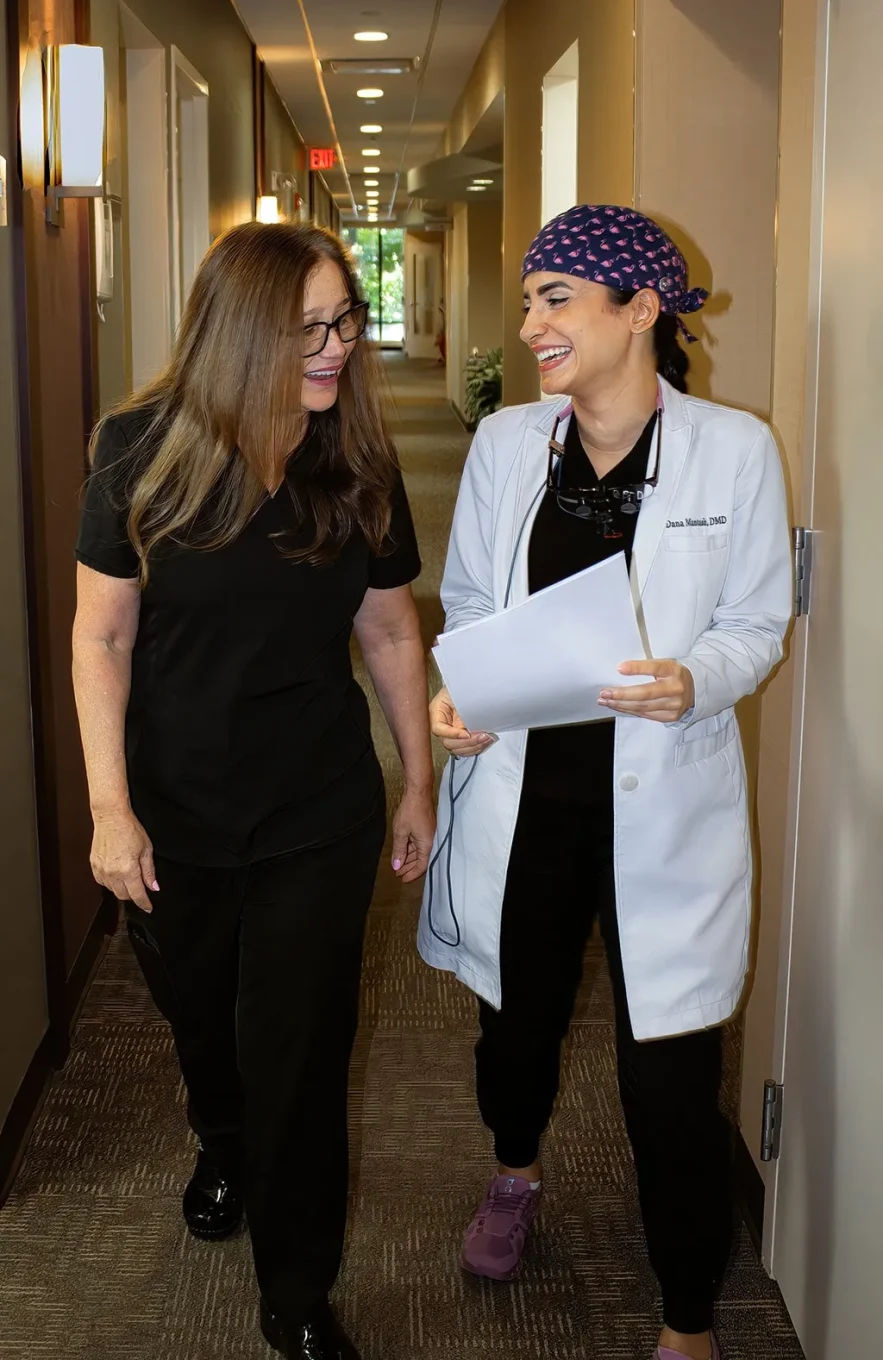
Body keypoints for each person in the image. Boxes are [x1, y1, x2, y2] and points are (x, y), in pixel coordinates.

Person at [419, 205, 792, 1360]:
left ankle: (686, 1319)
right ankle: (516, 1170)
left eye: (555, 298)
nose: (529, 323)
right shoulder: (503, 443)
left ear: (641, 311)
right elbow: (472, 604)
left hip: (660, 808)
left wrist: (698, 678)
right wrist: (455, 693)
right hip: (526, 795)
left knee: (670, 1077)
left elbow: (757, 619)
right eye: (528, 299)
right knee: (513, 1030)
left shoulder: (734, 450)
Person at [73, 222, 435, 1360]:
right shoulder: (139, 449)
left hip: (317, 809)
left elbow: (386, 626)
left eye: (346, 322)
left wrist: (418, 778)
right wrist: (108, 806)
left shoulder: (356, 458)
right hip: (173, 808)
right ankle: (219, 1138)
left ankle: (295, 1291)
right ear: (239, 334)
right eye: (311, 329)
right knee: (201, 1021)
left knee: (302, 1047)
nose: (336, 349)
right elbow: (102, 638)